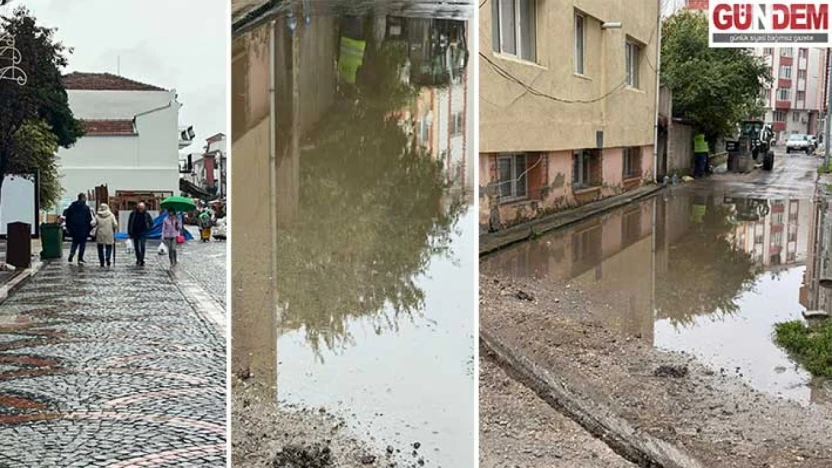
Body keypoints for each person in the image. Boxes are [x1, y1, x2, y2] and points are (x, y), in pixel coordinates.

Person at [65, 193, 93, 264]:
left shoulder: (72, 206)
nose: (86, 198)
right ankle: (80, 258)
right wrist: (89, 228)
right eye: (85, 197)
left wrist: (68, 227)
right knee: (82, 244)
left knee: (74, 242)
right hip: (83, 228)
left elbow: (68, 217)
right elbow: (89, 219)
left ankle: (72, 254)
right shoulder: (86, 208)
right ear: (82, 198)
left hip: (74, 228)